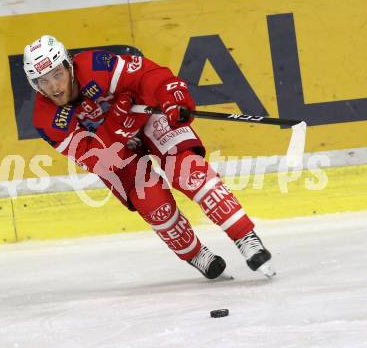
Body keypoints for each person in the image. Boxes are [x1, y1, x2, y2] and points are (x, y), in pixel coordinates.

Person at [23, 35, 275, 279]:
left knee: (188, 170)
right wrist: (117, 124)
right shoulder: (45, 119)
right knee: (152, 201)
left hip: (145, 120)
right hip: (115, 151)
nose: (54, 87)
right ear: (35, 85)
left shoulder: (95, 65)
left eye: (58, 74)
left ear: (69, 66)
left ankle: (245, 237)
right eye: (43, 81)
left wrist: (172, 97)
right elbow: (98, 160)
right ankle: (196, 254)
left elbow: (147, 75)